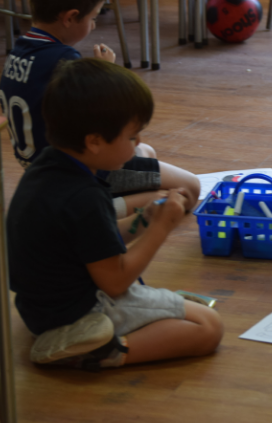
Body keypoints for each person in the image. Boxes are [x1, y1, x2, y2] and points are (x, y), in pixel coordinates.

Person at [7, 58, 223, 371]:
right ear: (94, 141)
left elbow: (96, 241)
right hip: (79, 312)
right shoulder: (85, 196)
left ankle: (85, 339)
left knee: (186, 310)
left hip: (39, 310)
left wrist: (145, 218)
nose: (138, 144)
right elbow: (116, 282)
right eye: (132, 137)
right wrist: (161, 228)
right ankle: (101, 351)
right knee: (208, 326)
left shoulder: (47, 167)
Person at [0, 0, 200, 215]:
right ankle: (98, 212)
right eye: (93, 18)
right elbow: (104, 115)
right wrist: (105, 70)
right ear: (70, 17)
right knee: (190, 189)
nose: (94, 25)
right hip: (77, 168)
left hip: (38, 169)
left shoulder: (18, 50)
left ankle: (96, 202)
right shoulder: (63, 59)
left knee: (147, 152)